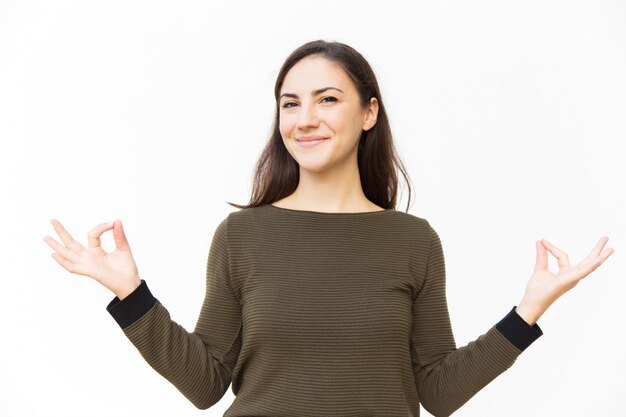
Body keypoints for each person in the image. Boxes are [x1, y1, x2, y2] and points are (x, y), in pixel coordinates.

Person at [43, 40, 614, 417]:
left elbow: (437, 391)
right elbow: (205, 384)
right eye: (290, 104)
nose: (305, 118)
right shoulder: (241, 237)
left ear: (368, 113)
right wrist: (129, 295)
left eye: (327, 99)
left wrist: (528, 311)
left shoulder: (413, 242)